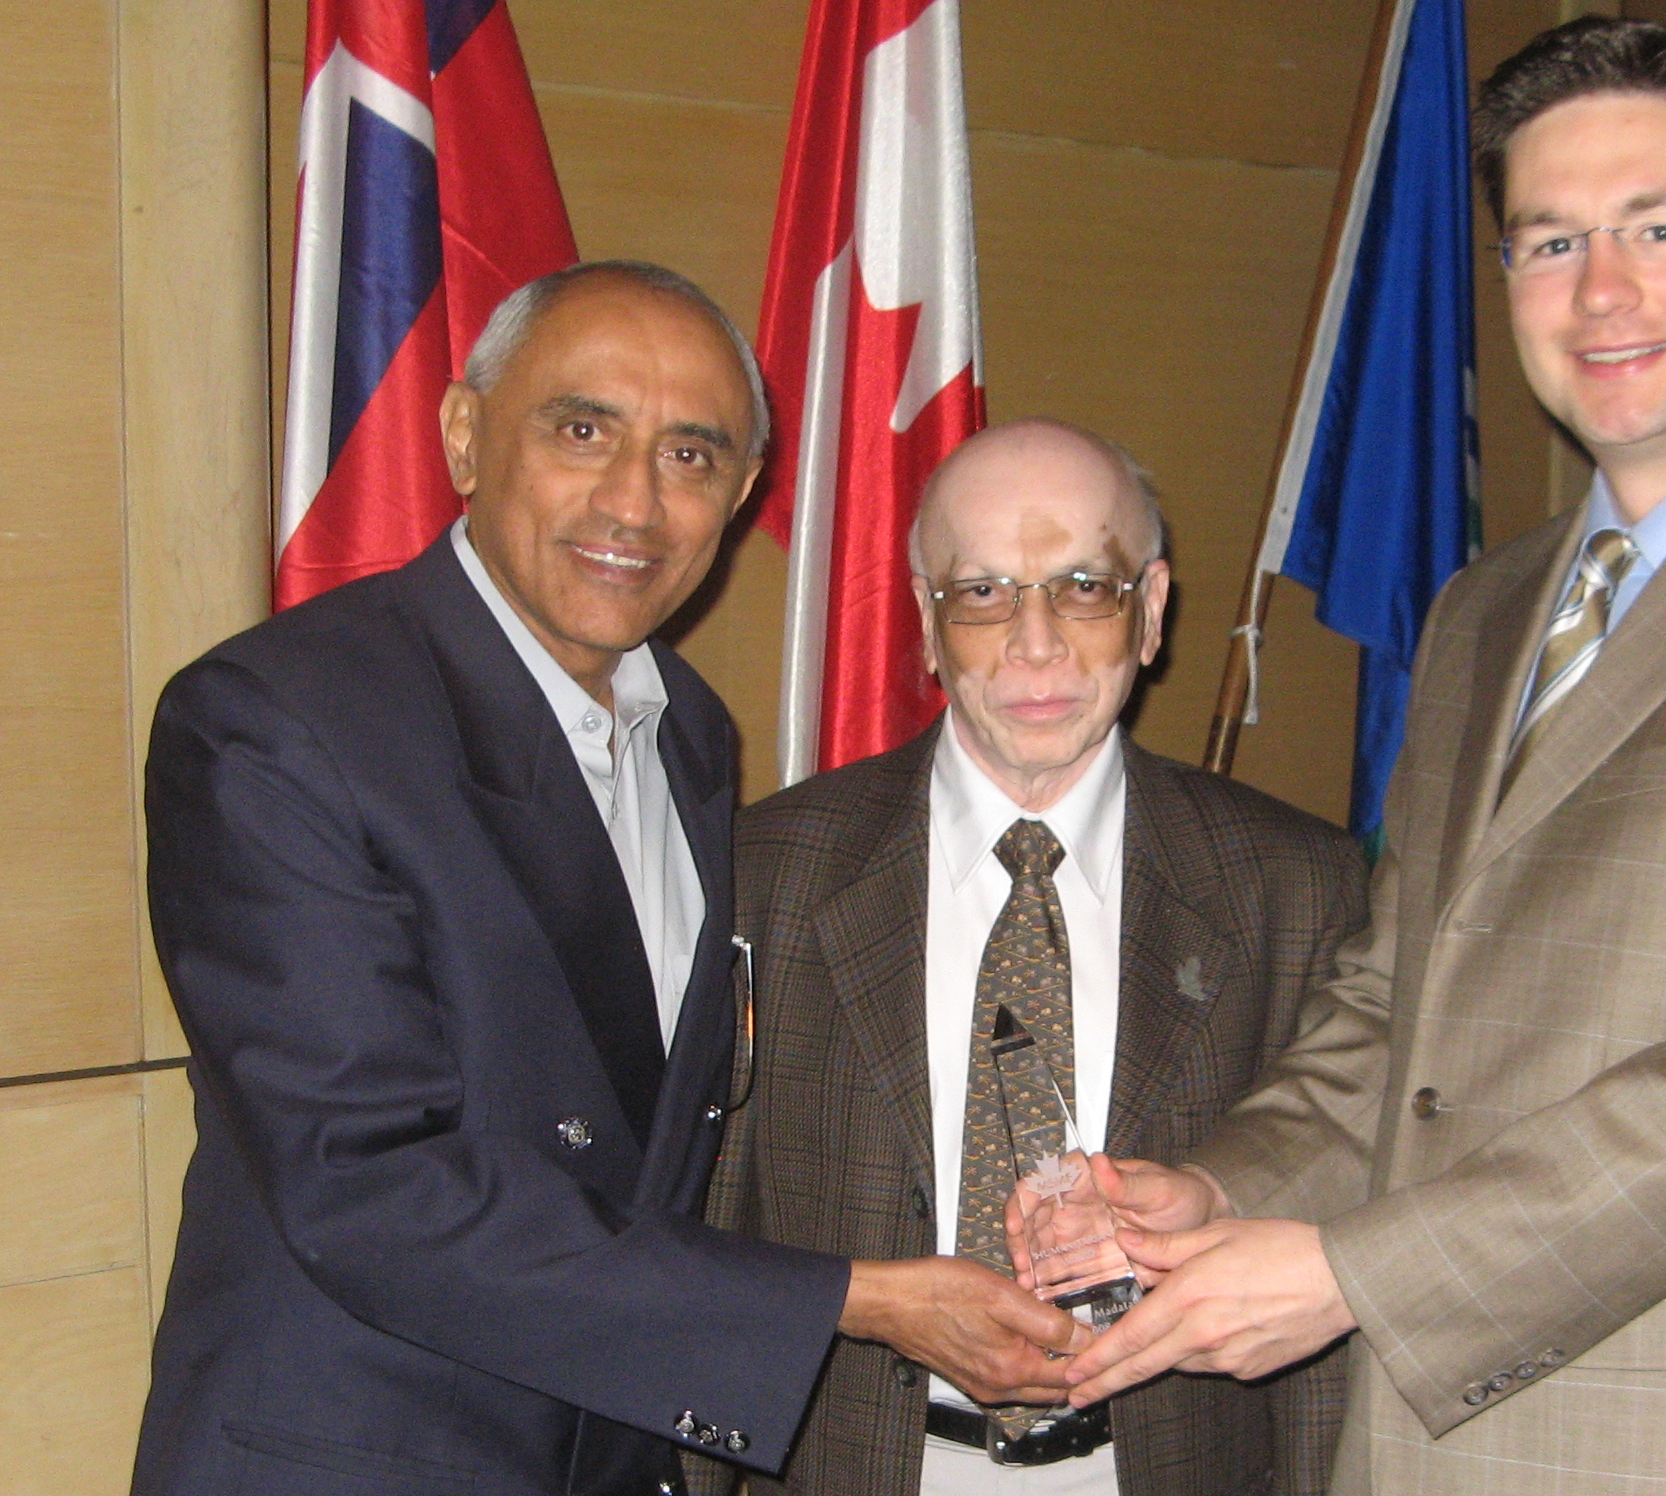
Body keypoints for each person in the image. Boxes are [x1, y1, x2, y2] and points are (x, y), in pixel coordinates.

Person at [1047, 20, 1666, 1495]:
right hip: (1415, 1437)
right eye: (1547, 242)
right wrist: (1219, 1188)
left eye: (1660, 226)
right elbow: (1395, 1004)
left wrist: (1353, 1274)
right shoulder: (1487, 606)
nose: (1600, 292)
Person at [131, 262, 1085, 1496]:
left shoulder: (687, 729)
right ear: (465, 435)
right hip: (361, 1454)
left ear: (743, 494)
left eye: (691, 457)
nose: (632, 502)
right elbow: (368, 1184)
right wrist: (851, 1299)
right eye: (582, 430)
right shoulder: (277, 721)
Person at [694, 419, 1366, 1496]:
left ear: (1150, 611)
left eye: (1083, 587)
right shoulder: (763, 870)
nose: (1035, 642)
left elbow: (1333, 1230)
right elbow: (708, 1227)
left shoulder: (1299, 886)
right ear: (925, 621)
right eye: (984, 593)